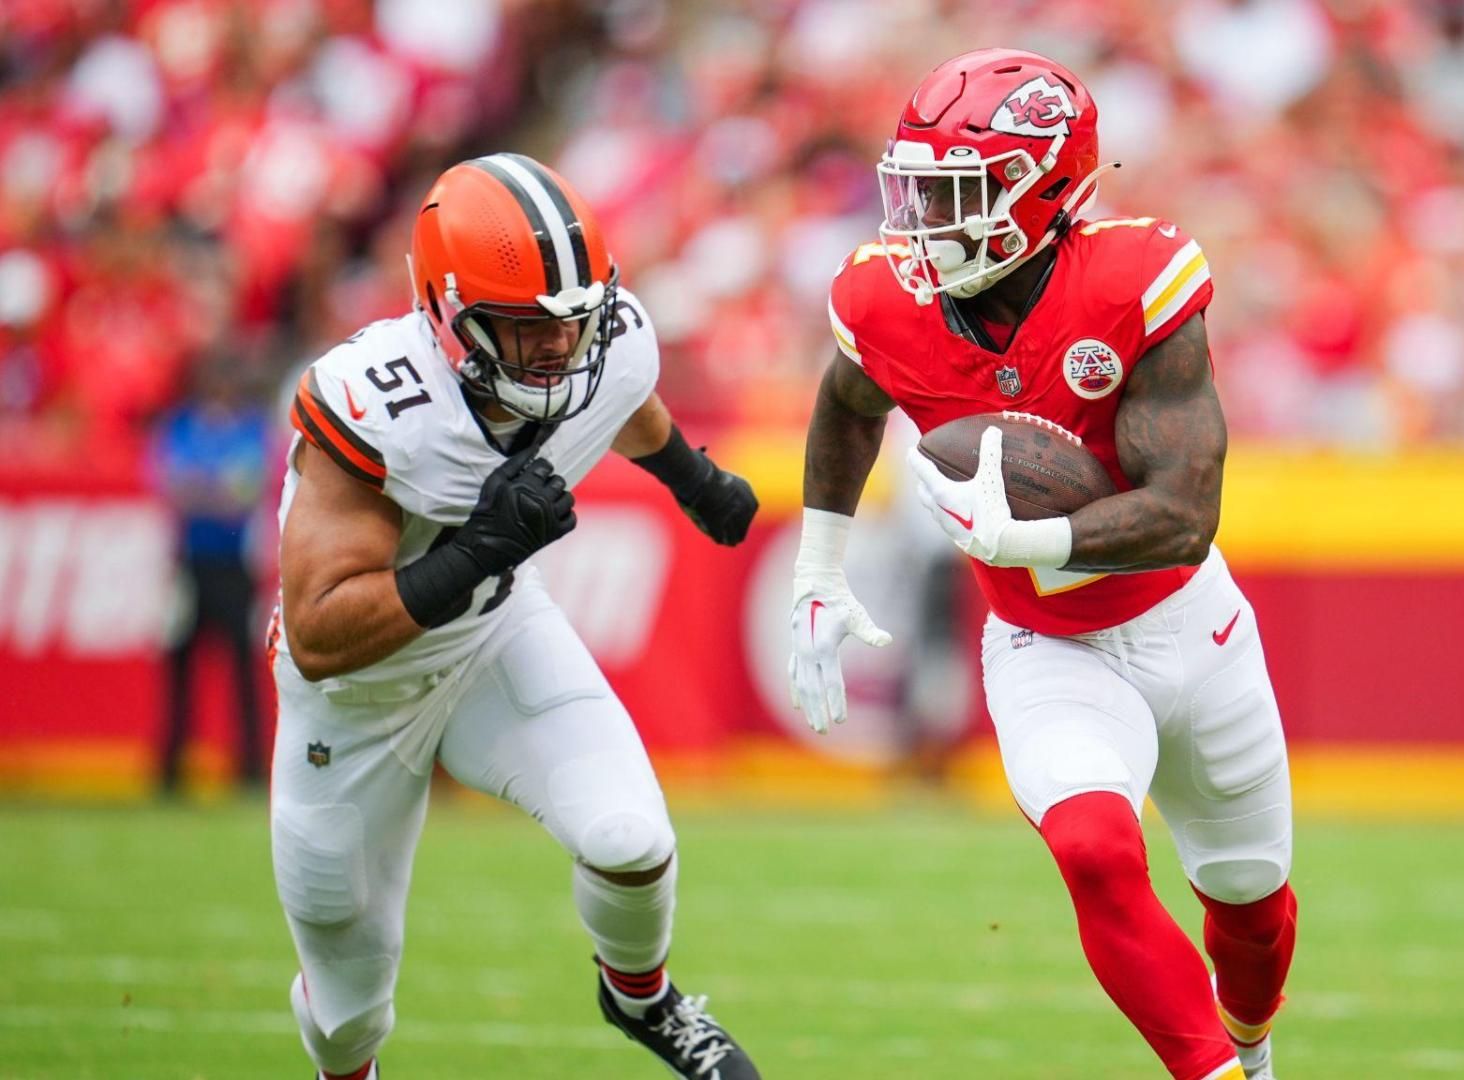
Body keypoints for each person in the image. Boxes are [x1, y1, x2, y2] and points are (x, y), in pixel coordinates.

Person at [788, 50, 1297, 1080]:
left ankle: (1254, 1047)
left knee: (1253, 909)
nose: (922, 221)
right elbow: (848, 402)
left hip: (1189, 624)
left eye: (956, 194)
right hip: (1048, 646)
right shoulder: (886, 299)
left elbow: (1185, 515)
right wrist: (820, 564)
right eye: (918, 189)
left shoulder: (1133, 283)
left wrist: (1032, 539)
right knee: (1096, 851)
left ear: (1047, 191)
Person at [269, 153, 762, 1080]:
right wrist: (474, 550)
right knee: (348, 1016)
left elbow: (621, 398)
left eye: (574, 323)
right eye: (526, 328)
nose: (557, 349)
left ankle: (642, 998)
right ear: (447, 317)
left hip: (492, 635)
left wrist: (693, 480)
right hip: (357, 704)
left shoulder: (602, 341)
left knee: (631, 840)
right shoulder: (377, 404)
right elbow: (320, 633)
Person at [152, 356, 271, 791]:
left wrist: (201, 488)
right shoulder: (182, 425)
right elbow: (175, 487)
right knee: (179, 668)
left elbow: (244, 491)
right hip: (191, 563)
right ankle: (171, 769)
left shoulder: (247, 427)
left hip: (233, 566)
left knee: (244, 669)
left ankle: (250, 767)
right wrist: (217, 489)